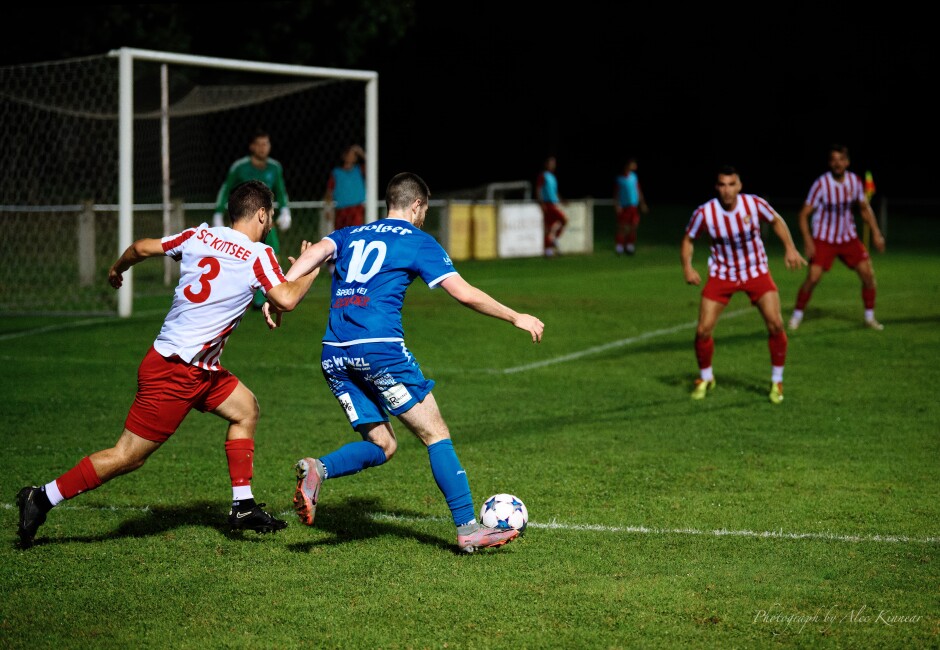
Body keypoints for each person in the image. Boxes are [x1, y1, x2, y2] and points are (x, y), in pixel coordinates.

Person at [16, 180, 319, 547]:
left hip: (195, 367)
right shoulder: (258, 254)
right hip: (176, 371)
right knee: (127, 456)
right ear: (261, 213)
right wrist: (311, 273)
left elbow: (141, 247)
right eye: (269, 213)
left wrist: (117, 268)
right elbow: (286, 298)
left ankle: (242, 505)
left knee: (246, 409)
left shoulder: (199, 236)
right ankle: (42, 497)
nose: (270, 221)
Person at [263, 172, 545, 553]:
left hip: (334, 353)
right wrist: (516, 317)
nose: (424, 215)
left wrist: (278, 292)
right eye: (424, 209)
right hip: (379, 351)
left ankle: (319, 468)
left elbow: (314, 253)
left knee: (384, 444)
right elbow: (462, 293)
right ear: (416, 205)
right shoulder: (417, 241)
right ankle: (467, 529)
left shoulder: (350, 233)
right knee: (435, 433)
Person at [680, 166, 807, 404]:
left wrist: (790, 247)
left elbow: (776, 221)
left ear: (739, 186)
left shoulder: (753, 204)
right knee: (702, 330)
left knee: (776, 325)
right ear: (717, 187)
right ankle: (706, 378)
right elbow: (688, 239)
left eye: (731, 184)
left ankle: (776, 381)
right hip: (722, 275)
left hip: (755, 271)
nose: (726, 190)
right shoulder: (705, 213)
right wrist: (687, 267)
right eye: (722, 185)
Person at [787, 144, 886, 331]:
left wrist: (876, 233)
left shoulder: (855, 182)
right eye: (833, 160)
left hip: (848, 238)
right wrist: (808, 240)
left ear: (847, 162)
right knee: (813, 278)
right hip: (824, 239)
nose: (837, 163)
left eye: (841, 159)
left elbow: (864, 209)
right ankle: (796, 316)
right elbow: (803, 214)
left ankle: (869, 317)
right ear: (829, 163)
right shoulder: (821, 184)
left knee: (868, 274)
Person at [212, 128, 293, 309]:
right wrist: (218, 212)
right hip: (244, 220)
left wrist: (286, 211)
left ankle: (264, 297)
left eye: (266, 144)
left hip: (266, 221)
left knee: (272, 254)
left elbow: (281, 191)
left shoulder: (275, 167)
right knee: (239, 257)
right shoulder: (240, 167)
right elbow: (225, 189)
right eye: (259, 144)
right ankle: (235, 295)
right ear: (252, 147)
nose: (263, 148)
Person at [323, 143, 367, 230]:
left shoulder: (359, 170)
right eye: (349, 154)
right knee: (341, 236)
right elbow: (329, 192)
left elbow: (372, 164)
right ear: (344, 156)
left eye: (354, 155)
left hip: (356, 210)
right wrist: (328, 209)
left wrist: (360, 152)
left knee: (356, 234)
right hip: (341, 210)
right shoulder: (336, 173)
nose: (352, 156)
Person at [613, 157, 649, 255]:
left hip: (633, 205)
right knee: (623, 226)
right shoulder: (620, 179)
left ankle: (629, 245)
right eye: (633, 164)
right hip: (624, 206)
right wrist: (617, 205)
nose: (635, 166)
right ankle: (619, 246)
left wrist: (642, 203)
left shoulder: (634, 177)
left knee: (633, 226)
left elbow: (638, 190)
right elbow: (616, 194)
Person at [536, 155, 568, 257]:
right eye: (551, 163)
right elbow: (538, 189)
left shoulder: (552, 177)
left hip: (554, 203)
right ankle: (551, 244)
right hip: (548, 204)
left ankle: (549, 249)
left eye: (554, 163)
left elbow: (555, 191)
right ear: (546, 164)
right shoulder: (543, 175)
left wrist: (562, 200)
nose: (553, 165)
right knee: (563, 220)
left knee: (550, 228)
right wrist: (541, 203)